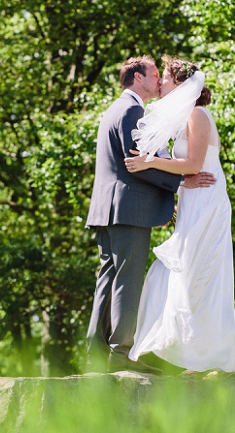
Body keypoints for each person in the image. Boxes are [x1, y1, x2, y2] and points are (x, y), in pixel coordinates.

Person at [85, 56, 216, 374]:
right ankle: (121, 354)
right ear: (137, 78)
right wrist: (182, 181)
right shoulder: (131, 110)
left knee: (109, 278)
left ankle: (95, 351)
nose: (159, 80)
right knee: (127, 281)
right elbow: (138, 163)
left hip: (108, 209)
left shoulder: (115, 109)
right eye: (154, 74)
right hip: (127, 209)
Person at [124, 57, 235, 374]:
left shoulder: (197, 115)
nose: (160, 82)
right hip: (192, 201)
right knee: (174, 273)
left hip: (207, 202)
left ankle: (198, 354)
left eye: (164, 77)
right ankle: (168, 347)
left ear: (179, 82)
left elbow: (193, 165)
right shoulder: (186, 117)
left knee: (192, 274)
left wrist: (149, 162)